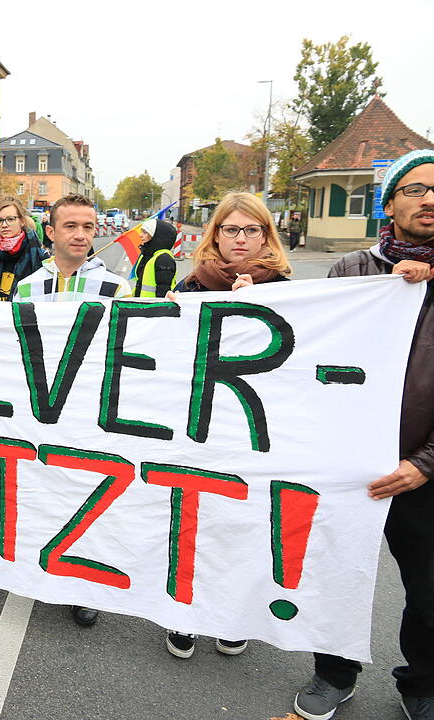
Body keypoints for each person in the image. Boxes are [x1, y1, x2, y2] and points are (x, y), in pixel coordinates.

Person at [293, 149, 434, 720]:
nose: (430, 200)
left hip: (423, 468)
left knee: (429, 590)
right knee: (336, 573)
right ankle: (334, 673)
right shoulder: (352, 270)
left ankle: (422, 684)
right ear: (390, 204)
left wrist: (425, 463)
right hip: (348, 462)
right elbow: (316, 358)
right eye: (415, 189)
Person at [162, 192, 291, 659]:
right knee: (189, 521)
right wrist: (167, 317)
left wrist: (259, 308)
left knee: (241, 525)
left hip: (253, 430)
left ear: (266, 236)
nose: (241, 239)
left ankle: (233, 615)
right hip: (197, 423)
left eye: (252, 230)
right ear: (215, 234)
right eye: (231, 229)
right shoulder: (192, 284)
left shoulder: (287, 289)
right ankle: (184, 611)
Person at [12, 194, 131, 628]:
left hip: (91, 414)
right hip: (42, 412)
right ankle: (45, 570)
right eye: (71, 226)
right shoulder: (26, 288)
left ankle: (85, 586)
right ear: (51, 232)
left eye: (88, 226)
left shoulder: (118, 288)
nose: (81, 235)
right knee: (44, 493)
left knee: (90, 499)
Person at [0, 196, 45, 301]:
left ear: (22, 221)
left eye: (10, 219)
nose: (4, 225)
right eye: (0, 220)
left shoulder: (39, 256)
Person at [133, 218, 178, 297]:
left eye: (145, 232)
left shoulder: (164, 259)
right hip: (141, 303)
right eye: (141, 231)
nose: (140, 235)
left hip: (152, 304)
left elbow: (163, 292)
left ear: (156, 236)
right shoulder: (147, 255)